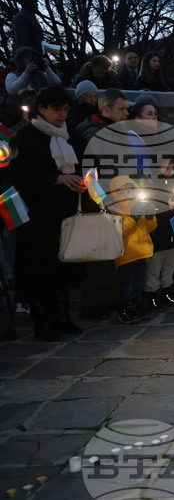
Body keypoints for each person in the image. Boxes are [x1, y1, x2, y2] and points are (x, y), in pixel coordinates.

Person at [9, 86, 86, 340]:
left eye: (65, 109)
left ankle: (62, 316)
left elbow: (85, 162)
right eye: (57, 109)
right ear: (41, 109)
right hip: (37, 213)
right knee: (39, 267)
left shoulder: (70, 134)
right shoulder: (26, 137)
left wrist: (85, 179)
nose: (62, 114)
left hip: (65, 210)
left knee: (62, 263)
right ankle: (42, 321)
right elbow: (20, 174)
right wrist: (56, 179)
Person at [108, 175, 158, 323]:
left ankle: (137, 306)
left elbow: (150, 228)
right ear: (115, 193)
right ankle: (124, 308)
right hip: (126, 255)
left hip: (142, 252)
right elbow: (119, 231)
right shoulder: (114, 209)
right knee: (127, 284)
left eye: (129, 190)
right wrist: (133, 217)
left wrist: (150, 217)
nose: (126, 195)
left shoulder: (139, 205)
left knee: (139, 283)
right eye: (121, 192)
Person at [75, 88, 129, 154]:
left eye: (126, 109)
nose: (127, 113)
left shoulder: (120, 128)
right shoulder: (94, 133)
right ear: (106, 109)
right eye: (122, 109)